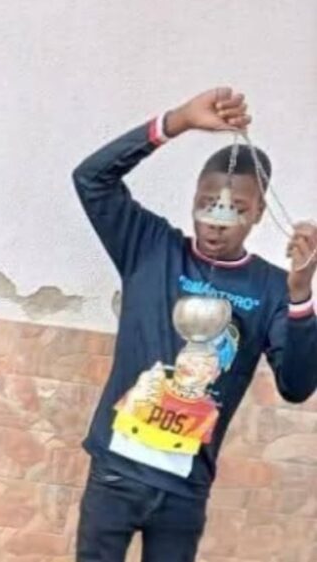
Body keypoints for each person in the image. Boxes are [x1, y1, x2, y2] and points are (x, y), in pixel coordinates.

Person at [72, 87, 317, 561]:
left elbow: (297, 385)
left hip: (183, 492)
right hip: (116, 474)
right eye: (208, 203)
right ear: (193, 201)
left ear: (259, 213)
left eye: (237, 209)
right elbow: (91, 179)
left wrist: (300, 295)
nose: (217, 220)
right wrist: (177, 121)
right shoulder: (150, 248)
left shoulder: (270, 288)